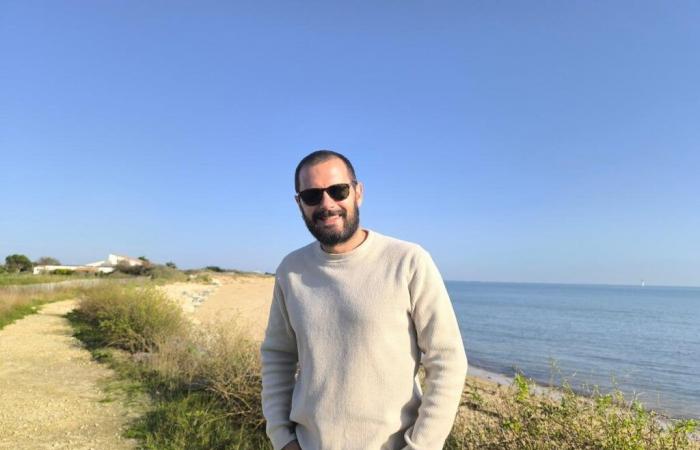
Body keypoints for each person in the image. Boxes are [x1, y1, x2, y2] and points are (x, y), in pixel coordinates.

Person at [261, 150, 468, 450]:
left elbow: (447, 360)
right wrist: (282, 438)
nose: (327, 204)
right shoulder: (290, 270)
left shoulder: (408, 261)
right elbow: (277, 356)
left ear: (358, 192)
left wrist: (421, 447)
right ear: (299, 203)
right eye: (312, 195)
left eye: (338, 191)